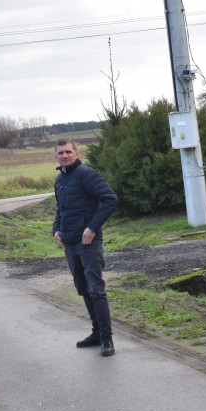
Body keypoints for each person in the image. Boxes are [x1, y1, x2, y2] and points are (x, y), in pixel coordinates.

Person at [52, 138, 118, 357]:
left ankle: (107, 339)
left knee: (96, 289)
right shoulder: (60, 180)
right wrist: (56, 230)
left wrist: (92, 227)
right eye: (61, 153)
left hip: (89, 243)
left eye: (68, 152)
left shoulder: (87, 174)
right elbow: (61, 209)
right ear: (56, 156)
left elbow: (110, 199)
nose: (65, 155)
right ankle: (97, 333)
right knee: (82, 288)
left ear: (76, 153)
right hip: (70, 243)